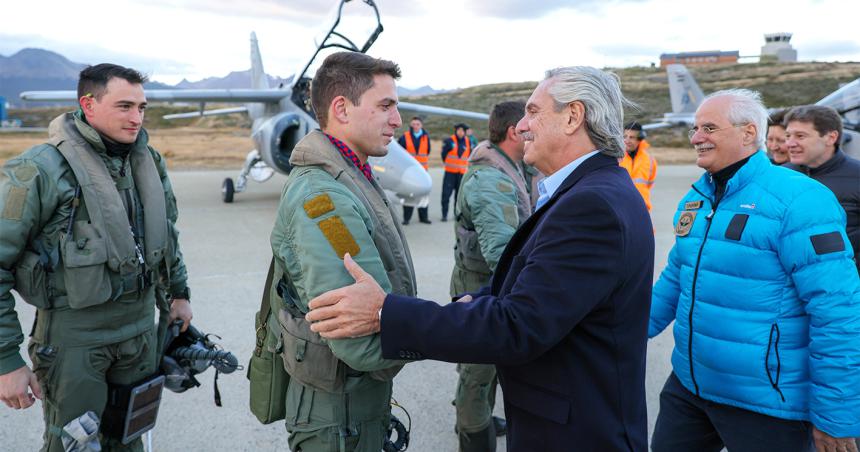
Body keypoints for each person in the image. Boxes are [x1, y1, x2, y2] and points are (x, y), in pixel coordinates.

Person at [306, 66, 654, 451]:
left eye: (534, 112)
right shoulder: (593, 191)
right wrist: (481, 301)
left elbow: (518, 327)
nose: (521, 126)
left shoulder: (591, 205)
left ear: (573, 117)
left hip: (577, 436)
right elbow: (537, 285)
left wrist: (385, 313)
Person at [649, 89, 860, 452]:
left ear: (748, 133)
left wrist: (835, 415)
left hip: (767, 402)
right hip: (690, 385)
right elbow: (675, 279)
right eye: (695, 129)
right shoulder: (697, 198)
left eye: (709, 128)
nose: (696, 137)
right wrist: (620, 334)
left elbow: (836, 311)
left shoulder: (800, 199)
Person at [0, 64, 192, 451]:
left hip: (138, 334)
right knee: (73, 445)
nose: (136, 117)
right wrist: (6, 361)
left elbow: (166, 235)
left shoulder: (148, 163)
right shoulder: (39, 169)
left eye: (142, 107)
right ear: (88, 104)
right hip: (76, 343)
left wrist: (179, 293)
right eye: (124, 106)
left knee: (129, 440)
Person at [268, 51, 416, 452]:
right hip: (339, 416)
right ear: (341, 109)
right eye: (385, 106)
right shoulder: (323, 198)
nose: (397, 120)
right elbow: (361, 344)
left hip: (352, 404)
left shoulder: (352, 176)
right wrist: (438, 333)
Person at [449, 101, 530, 452]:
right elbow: (502, 252)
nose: (534, 132)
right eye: (529, 126)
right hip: (481, 287)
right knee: (477, 373)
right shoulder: (489, 180)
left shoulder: (511, 168)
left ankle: (476, 417)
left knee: (487, 366)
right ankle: (474, 436)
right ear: (514, 132)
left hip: (491, 285)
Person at [784, 105, 860, 274]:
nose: (789, 143)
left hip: (848, 286)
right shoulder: (780, 177)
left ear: (831, 137)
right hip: (792, 287)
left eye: (800, 136)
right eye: (788, 136)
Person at [397, 116, 432, 225]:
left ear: (421, 125)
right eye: (413, 124)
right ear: (411, 125)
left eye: (417, 124)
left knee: (423, 194)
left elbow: (428, 151)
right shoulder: (404, 137)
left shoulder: (426, 138)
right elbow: (400, 153)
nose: (415, 126)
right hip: (409, 173)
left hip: (423, 172)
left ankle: (424, 217)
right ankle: (406, 218)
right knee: (408, 194)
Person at [620, 121, 658, 211]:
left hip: (642, 209)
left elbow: (649, 184)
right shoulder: (615, 158)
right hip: (620, 209)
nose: (627, 140)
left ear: (640, 139)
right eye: (625, 136)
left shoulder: (650, 160)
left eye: (632, 137)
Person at [440, 123, 472, 221]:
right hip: (450, 173)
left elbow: (469, 155)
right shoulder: (449, 141)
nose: (460, 132)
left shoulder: (468, 142)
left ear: (465, 132)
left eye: (462, 130)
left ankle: (456, 214)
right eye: (458, 130)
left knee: (459, 197)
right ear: (456, 130)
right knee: (446, 195)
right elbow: (443, 155)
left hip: (461, 174)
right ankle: (444, 215)